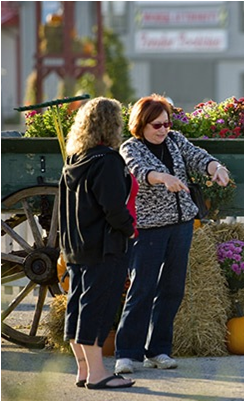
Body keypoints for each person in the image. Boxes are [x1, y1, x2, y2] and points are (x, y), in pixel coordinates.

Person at [114, 94, 230, 373]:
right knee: (141, 289)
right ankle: (127, 353)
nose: (163, 129)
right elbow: (140, 171)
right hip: (148, 229)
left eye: (166, 124)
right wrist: (163, 177)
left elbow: (198, 156)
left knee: (172, 289)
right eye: (156, 125)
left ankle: (159, 350)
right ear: (141, 125)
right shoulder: (131, 147)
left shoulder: (175, 140)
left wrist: (216, 167)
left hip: (181, 225)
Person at [59, 97, 137, 389]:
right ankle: (98, 374)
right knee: (98, 307)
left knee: (78, 306)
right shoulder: (107, 161)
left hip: (77, 246)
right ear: (112, 125)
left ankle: (82, 370)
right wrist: (129, 230)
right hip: (105, 246)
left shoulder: (75, 160)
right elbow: (114, 208)